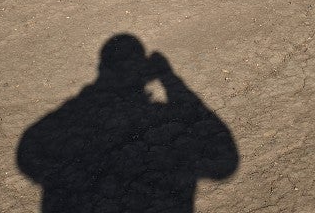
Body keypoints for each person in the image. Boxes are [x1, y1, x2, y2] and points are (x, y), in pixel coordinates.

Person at [17, 34, 239, 212]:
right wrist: (171, 80)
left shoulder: (75, 114)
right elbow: (226, 161)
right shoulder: (163, 115)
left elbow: (28, 151)